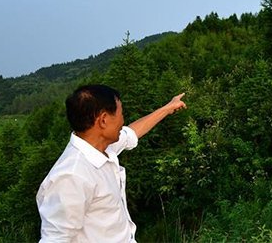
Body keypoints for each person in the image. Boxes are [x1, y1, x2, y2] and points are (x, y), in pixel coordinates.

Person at [36, 84, 186, 242]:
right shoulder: (71, 176)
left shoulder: (102, 146)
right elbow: (55, 239)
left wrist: (169, 107)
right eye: (121, 113)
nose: (123, 120)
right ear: (103, 120)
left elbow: (132, 132)